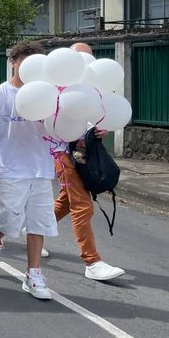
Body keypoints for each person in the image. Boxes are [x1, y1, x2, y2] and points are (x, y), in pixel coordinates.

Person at [0, 40, 57, 299]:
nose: (29, 66)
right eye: (24, 60)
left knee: (39, 223)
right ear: (13, 62)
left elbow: (63, 125)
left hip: (41, 168)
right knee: (10, 218)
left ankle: (34, 275)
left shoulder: (49, 93)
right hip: (10, 167)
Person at [50, 42, 124, 281]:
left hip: (84, 155)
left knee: (65, 202)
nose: (83, 62)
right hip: (61, 153)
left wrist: (102, 130)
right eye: (78, 57)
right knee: (82, 205)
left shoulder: (94, 86)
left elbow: (101, 115)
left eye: (87, 57)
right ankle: (91, 261)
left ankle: (32, 228)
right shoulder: (56, 86)